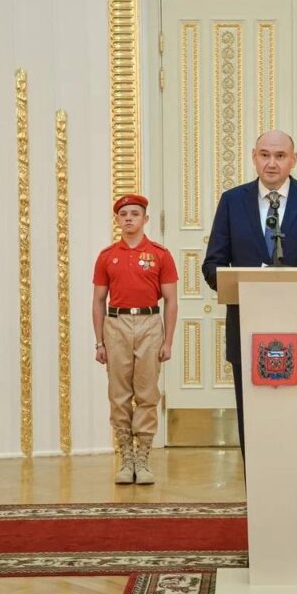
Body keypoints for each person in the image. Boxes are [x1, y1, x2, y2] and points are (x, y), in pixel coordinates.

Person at [202, 129, 297, 568]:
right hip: (250, 339)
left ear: (293, 159)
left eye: (280, 155)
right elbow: (213, 264)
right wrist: (249, 281)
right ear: (253, 157)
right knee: (258, 436)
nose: (272, 162)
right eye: (264, 154)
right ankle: (265, 535)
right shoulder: (232, 201)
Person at [93, 194, 178, 485]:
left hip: (149, 323)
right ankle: (125, 457)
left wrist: (168, 341)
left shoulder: (160, 254)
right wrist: (99, 342)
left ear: (145, 219)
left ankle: (143, 458)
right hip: (116, 324)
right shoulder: (107, 256)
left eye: (135, 214)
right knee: (118, 393)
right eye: (124, 214)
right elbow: (98, 300)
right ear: (117, 219)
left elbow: (171, 300)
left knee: (147, 392)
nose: (129, 218)